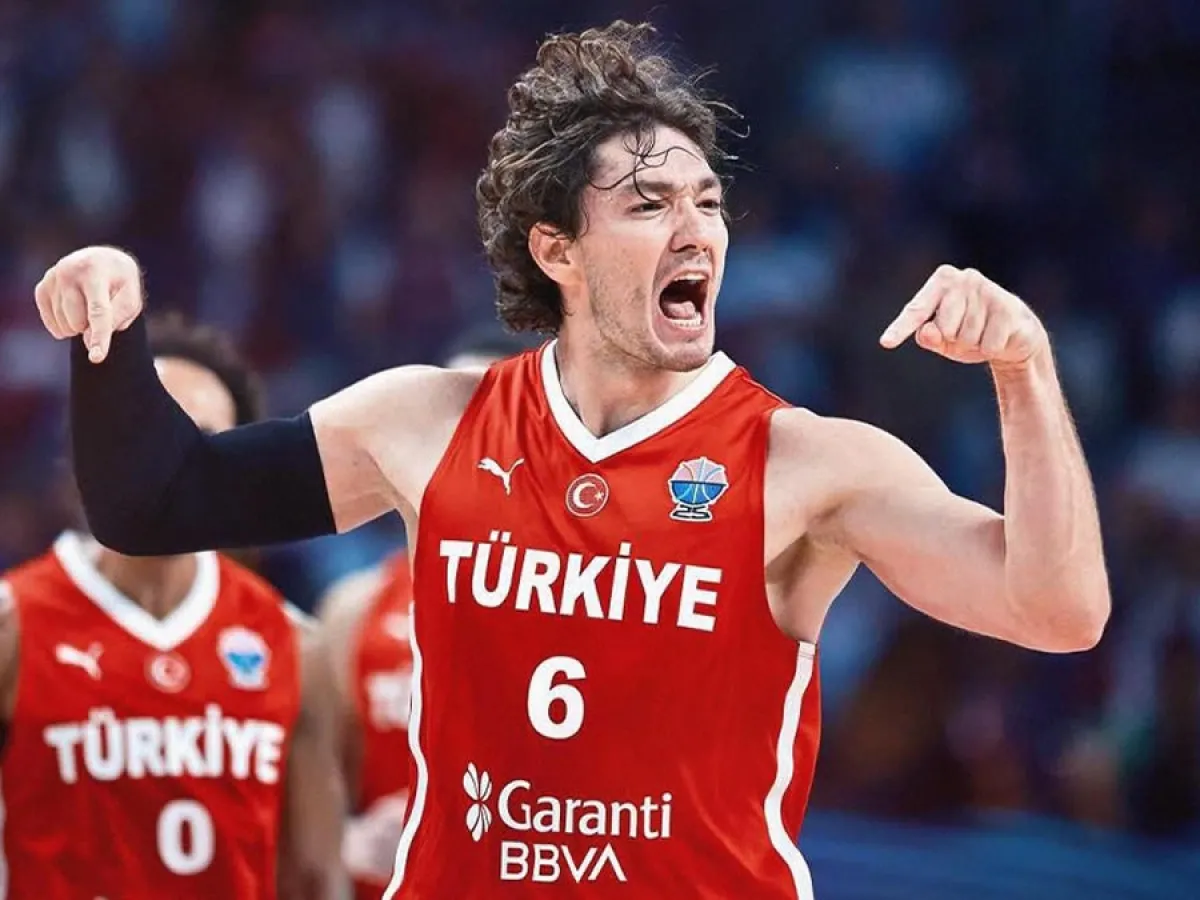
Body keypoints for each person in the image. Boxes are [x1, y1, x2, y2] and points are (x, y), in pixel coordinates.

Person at [34, 20, 1110, 899]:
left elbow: (1057, 612)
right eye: (649, 205)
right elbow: (155, 501)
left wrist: (1023, 371)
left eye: (707, 202)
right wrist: (107, 334)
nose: (696, 229)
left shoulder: (807, 463)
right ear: (557, 250)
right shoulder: (426, 421)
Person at [0, 314, 344, 899]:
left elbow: (315, 877)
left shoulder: (293, 644)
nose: (168, 461)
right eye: (145, 431)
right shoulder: (14, 624)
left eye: (202, 440)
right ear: (91, 449)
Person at [316, 327, 538, 897]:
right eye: (454, 416)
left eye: (496, 418)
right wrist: (346, 840)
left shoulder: (599, 605)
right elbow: (316, 796)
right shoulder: (356, 608)